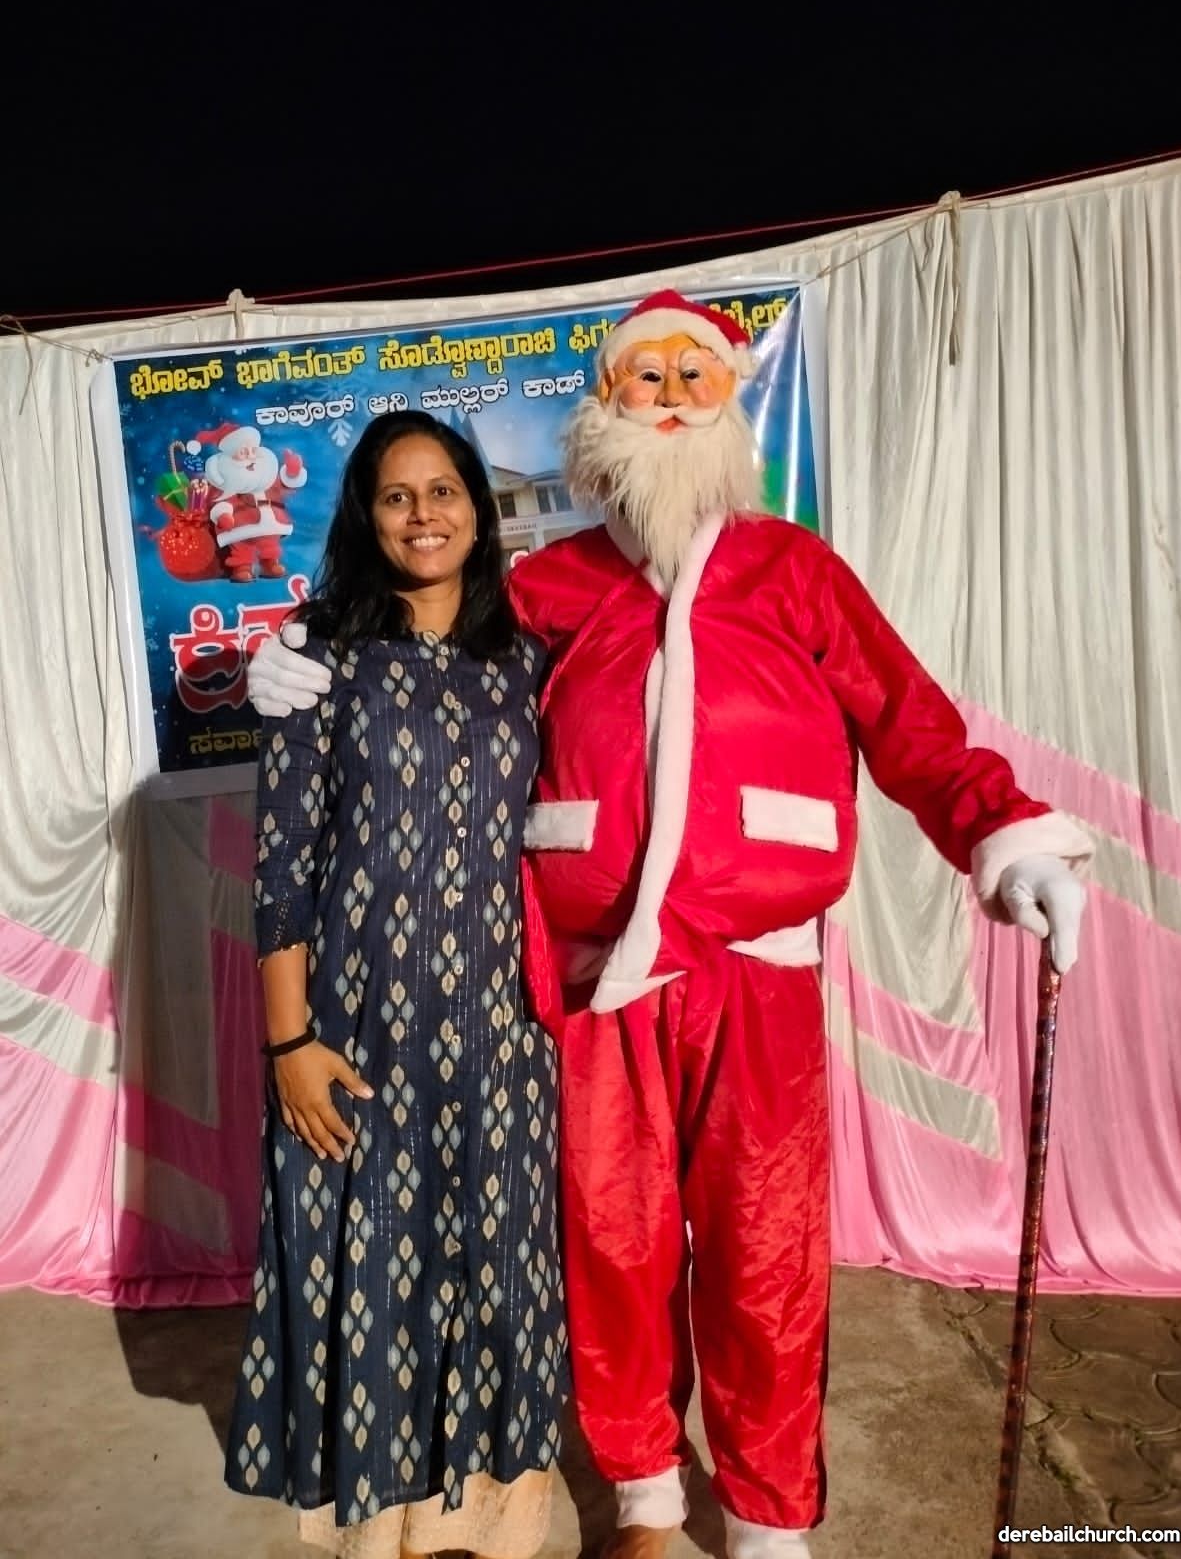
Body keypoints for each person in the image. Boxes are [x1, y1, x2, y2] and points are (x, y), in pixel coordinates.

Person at [248, 290, 1093, 1559]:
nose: (670, 398)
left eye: (694, 374)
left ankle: (764, 1514)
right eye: (644, 376)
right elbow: (428, 660)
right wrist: (300, 660)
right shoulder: (550, 586)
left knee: (764, 1248)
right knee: (610, 1244)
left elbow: (910, 720)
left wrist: (1003, 832)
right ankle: (644, 1492)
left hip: (757, 975)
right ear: (607, 402)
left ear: (729, 399)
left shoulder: (795, 570)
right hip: (600, 983)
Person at [226, 411, 566, 1559]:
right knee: (376, 1272)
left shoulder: (527, 659)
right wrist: (290, 1046)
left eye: (443, 490)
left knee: (497, 1268)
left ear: (478, 504)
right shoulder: (319, 657)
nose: (424, 515)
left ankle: (485, 1520)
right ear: (367, 519)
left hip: (500, 1032)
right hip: (359, 1032)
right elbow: (282, 868)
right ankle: (381, 1528)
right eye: (396, 495)